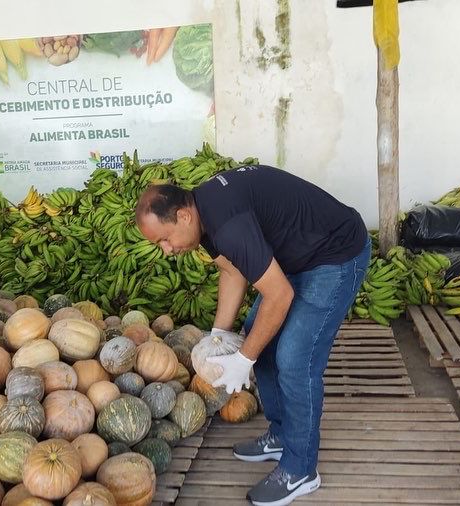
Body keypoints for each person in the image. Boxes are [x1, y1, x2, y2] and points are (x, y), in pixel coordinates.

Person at [135, 165, 370, 506]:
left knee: (293, 358)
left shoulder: (227, 224)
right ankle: (280, 434)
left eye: (164, 239)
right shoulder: (207, 216)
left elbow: (280, 296)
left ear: (183, 216)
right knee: (258, 337)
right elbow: (232, 270)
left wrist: (244, 359)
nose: (166, 250)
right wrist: (219, 335)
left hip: (335, 257)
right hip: (299, 261)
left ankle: (301, 469)